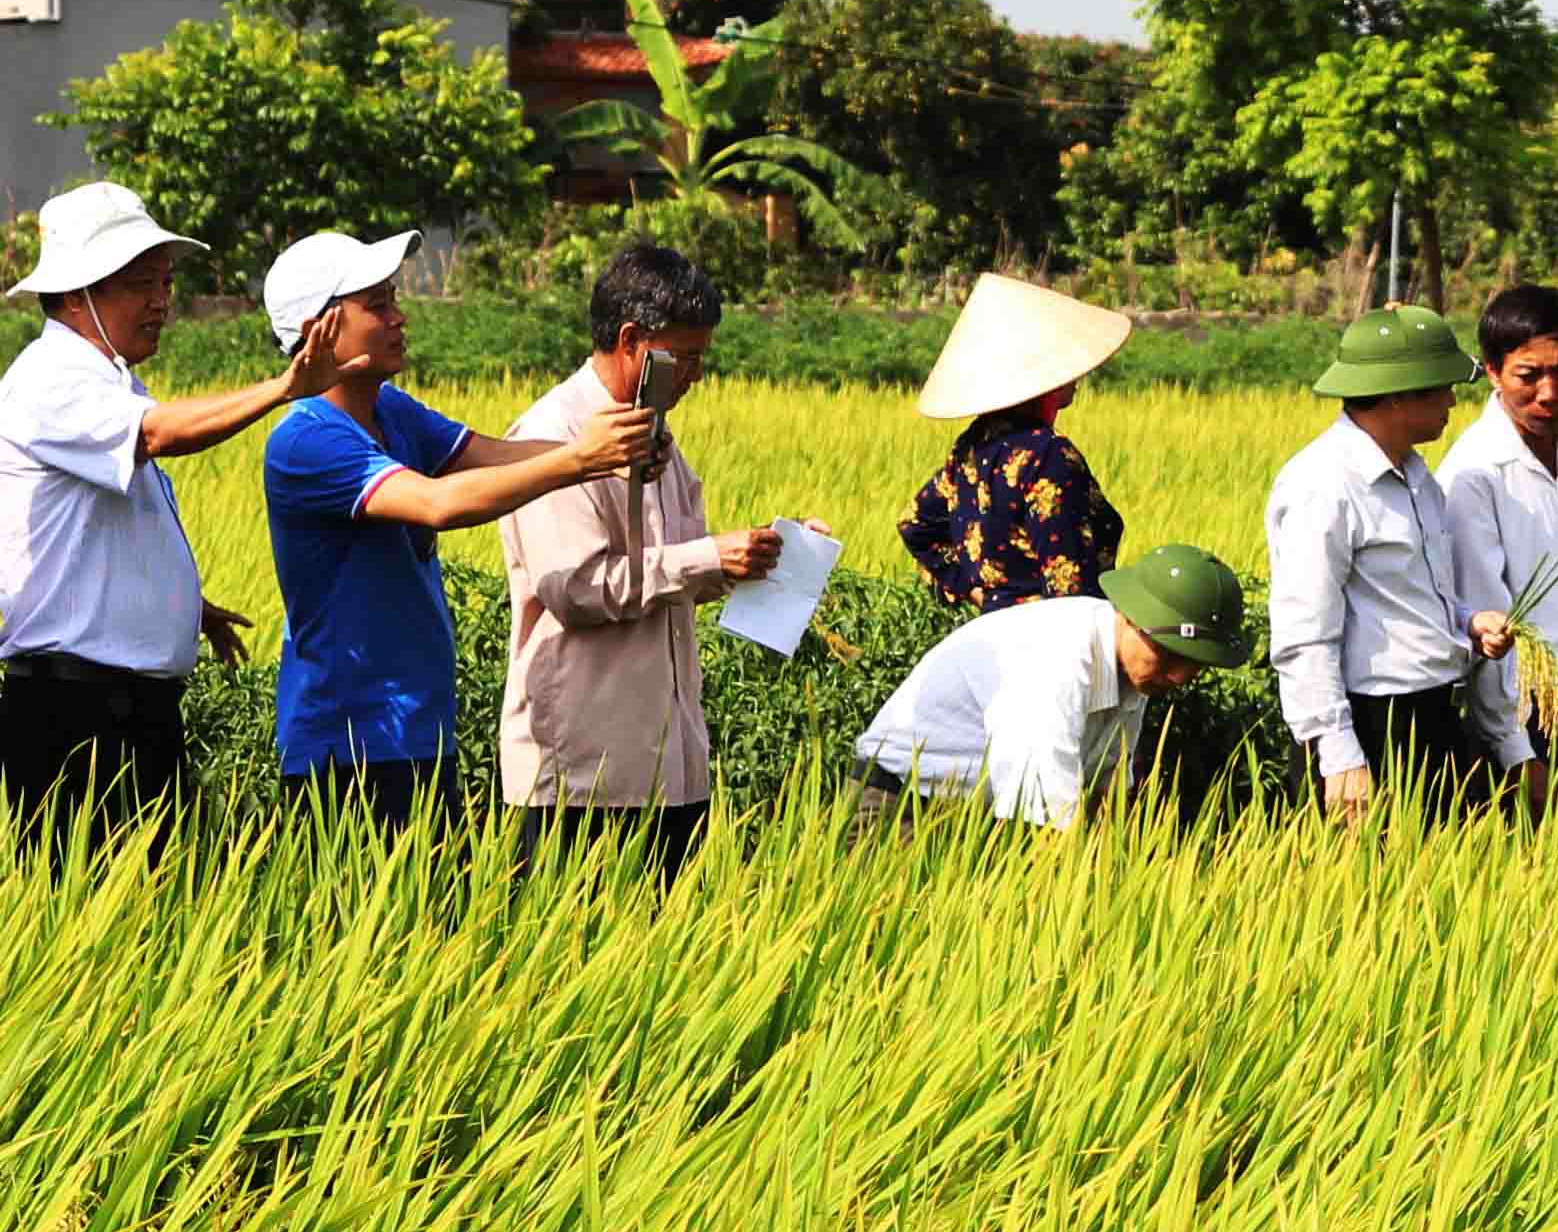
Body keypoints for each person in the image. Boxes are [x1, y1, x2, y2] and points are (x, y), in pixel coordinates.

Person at [255, 228, 656, 829]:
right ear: (322, 329)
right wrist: (579, 459)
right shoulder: (306, 439)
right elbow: (439, 505)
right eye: (379, 305)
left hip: (419, 728)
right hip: (348, 742)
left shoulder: (390, 408)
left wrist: (616, 449)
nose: (400, 318)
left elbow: (496, 455)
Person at [0, 183, 333, 843]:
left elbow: (97, 531)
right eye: (139, 285)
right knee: (93, 919)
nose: (161, 302)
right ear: (75, 294)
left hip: (131, 708)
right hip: (74, 713)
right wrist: (285, 388)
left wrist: (184, 605)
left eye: (165, 282)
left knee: (164, 914)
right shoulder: (50, 381)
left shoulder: (111, 380)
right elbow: (154, 436)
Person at [496, 242, 799, 874]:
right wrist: (706, 559)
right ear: (632, 339)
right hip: (583, 772)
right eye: (683, 357)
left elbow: (677, 570)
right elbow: (578, 588)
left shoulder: (656, 434)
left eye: (701, 358)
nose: (693, 374)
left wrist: (759, 555)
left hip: (670, 763)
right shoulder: (553, 436)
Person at [1267, 302, 1537, 822]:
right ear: (1396, 395)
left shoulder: (1418, 478)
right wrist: (1340, 755)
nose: (1453, 402)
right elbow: (1305, 634)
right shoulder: (1322, 485)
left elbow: (1414, 597)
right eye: (1440, 388)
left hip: (1430, 716)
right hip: (1364, 725)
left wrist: (1468, 623)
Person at [848, 545, 1254, 830]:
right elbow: (1049, 815)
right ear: (1130, 617)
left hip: (975, 815)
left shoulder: (1135, 671)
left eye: (1196, 664)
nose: (1180, 676)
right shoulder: (1055, 659)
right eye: (1169, 655)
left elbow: (1107, 788)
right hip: (896, 811)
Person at [1438, 281, 1558, 834]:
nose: (1549, 392)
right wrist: (1516, 752)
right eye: (1529, 375)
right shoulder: (1473, 474)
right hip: (1529, 723)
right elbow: (1485, 624)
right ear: (1493, 371)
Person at [897, 274, 1132, 611]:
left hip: (993, 637)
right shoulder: (1048, 456)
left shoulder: (972, 446)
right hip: (1044, 646)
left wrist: (978, 592)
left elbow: (915, 525)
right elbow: (1069, 592)